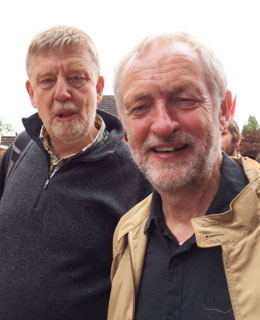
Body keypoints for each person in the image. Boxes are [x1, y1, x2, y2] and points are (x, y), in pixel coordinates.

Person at [0, 25, 151, 320]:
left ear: (97, 87)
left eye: (76, 78)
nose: (61, 92)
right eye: (46, 80)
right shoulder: (18, 152)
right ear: (31, 93)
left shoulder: (136, 176)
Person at [108, 33, 260, 320]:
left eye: (184, 99)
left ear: (223, 111)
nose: (163, 125)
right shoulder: (126, 237)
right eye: (140, 107)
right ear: (126, 125)